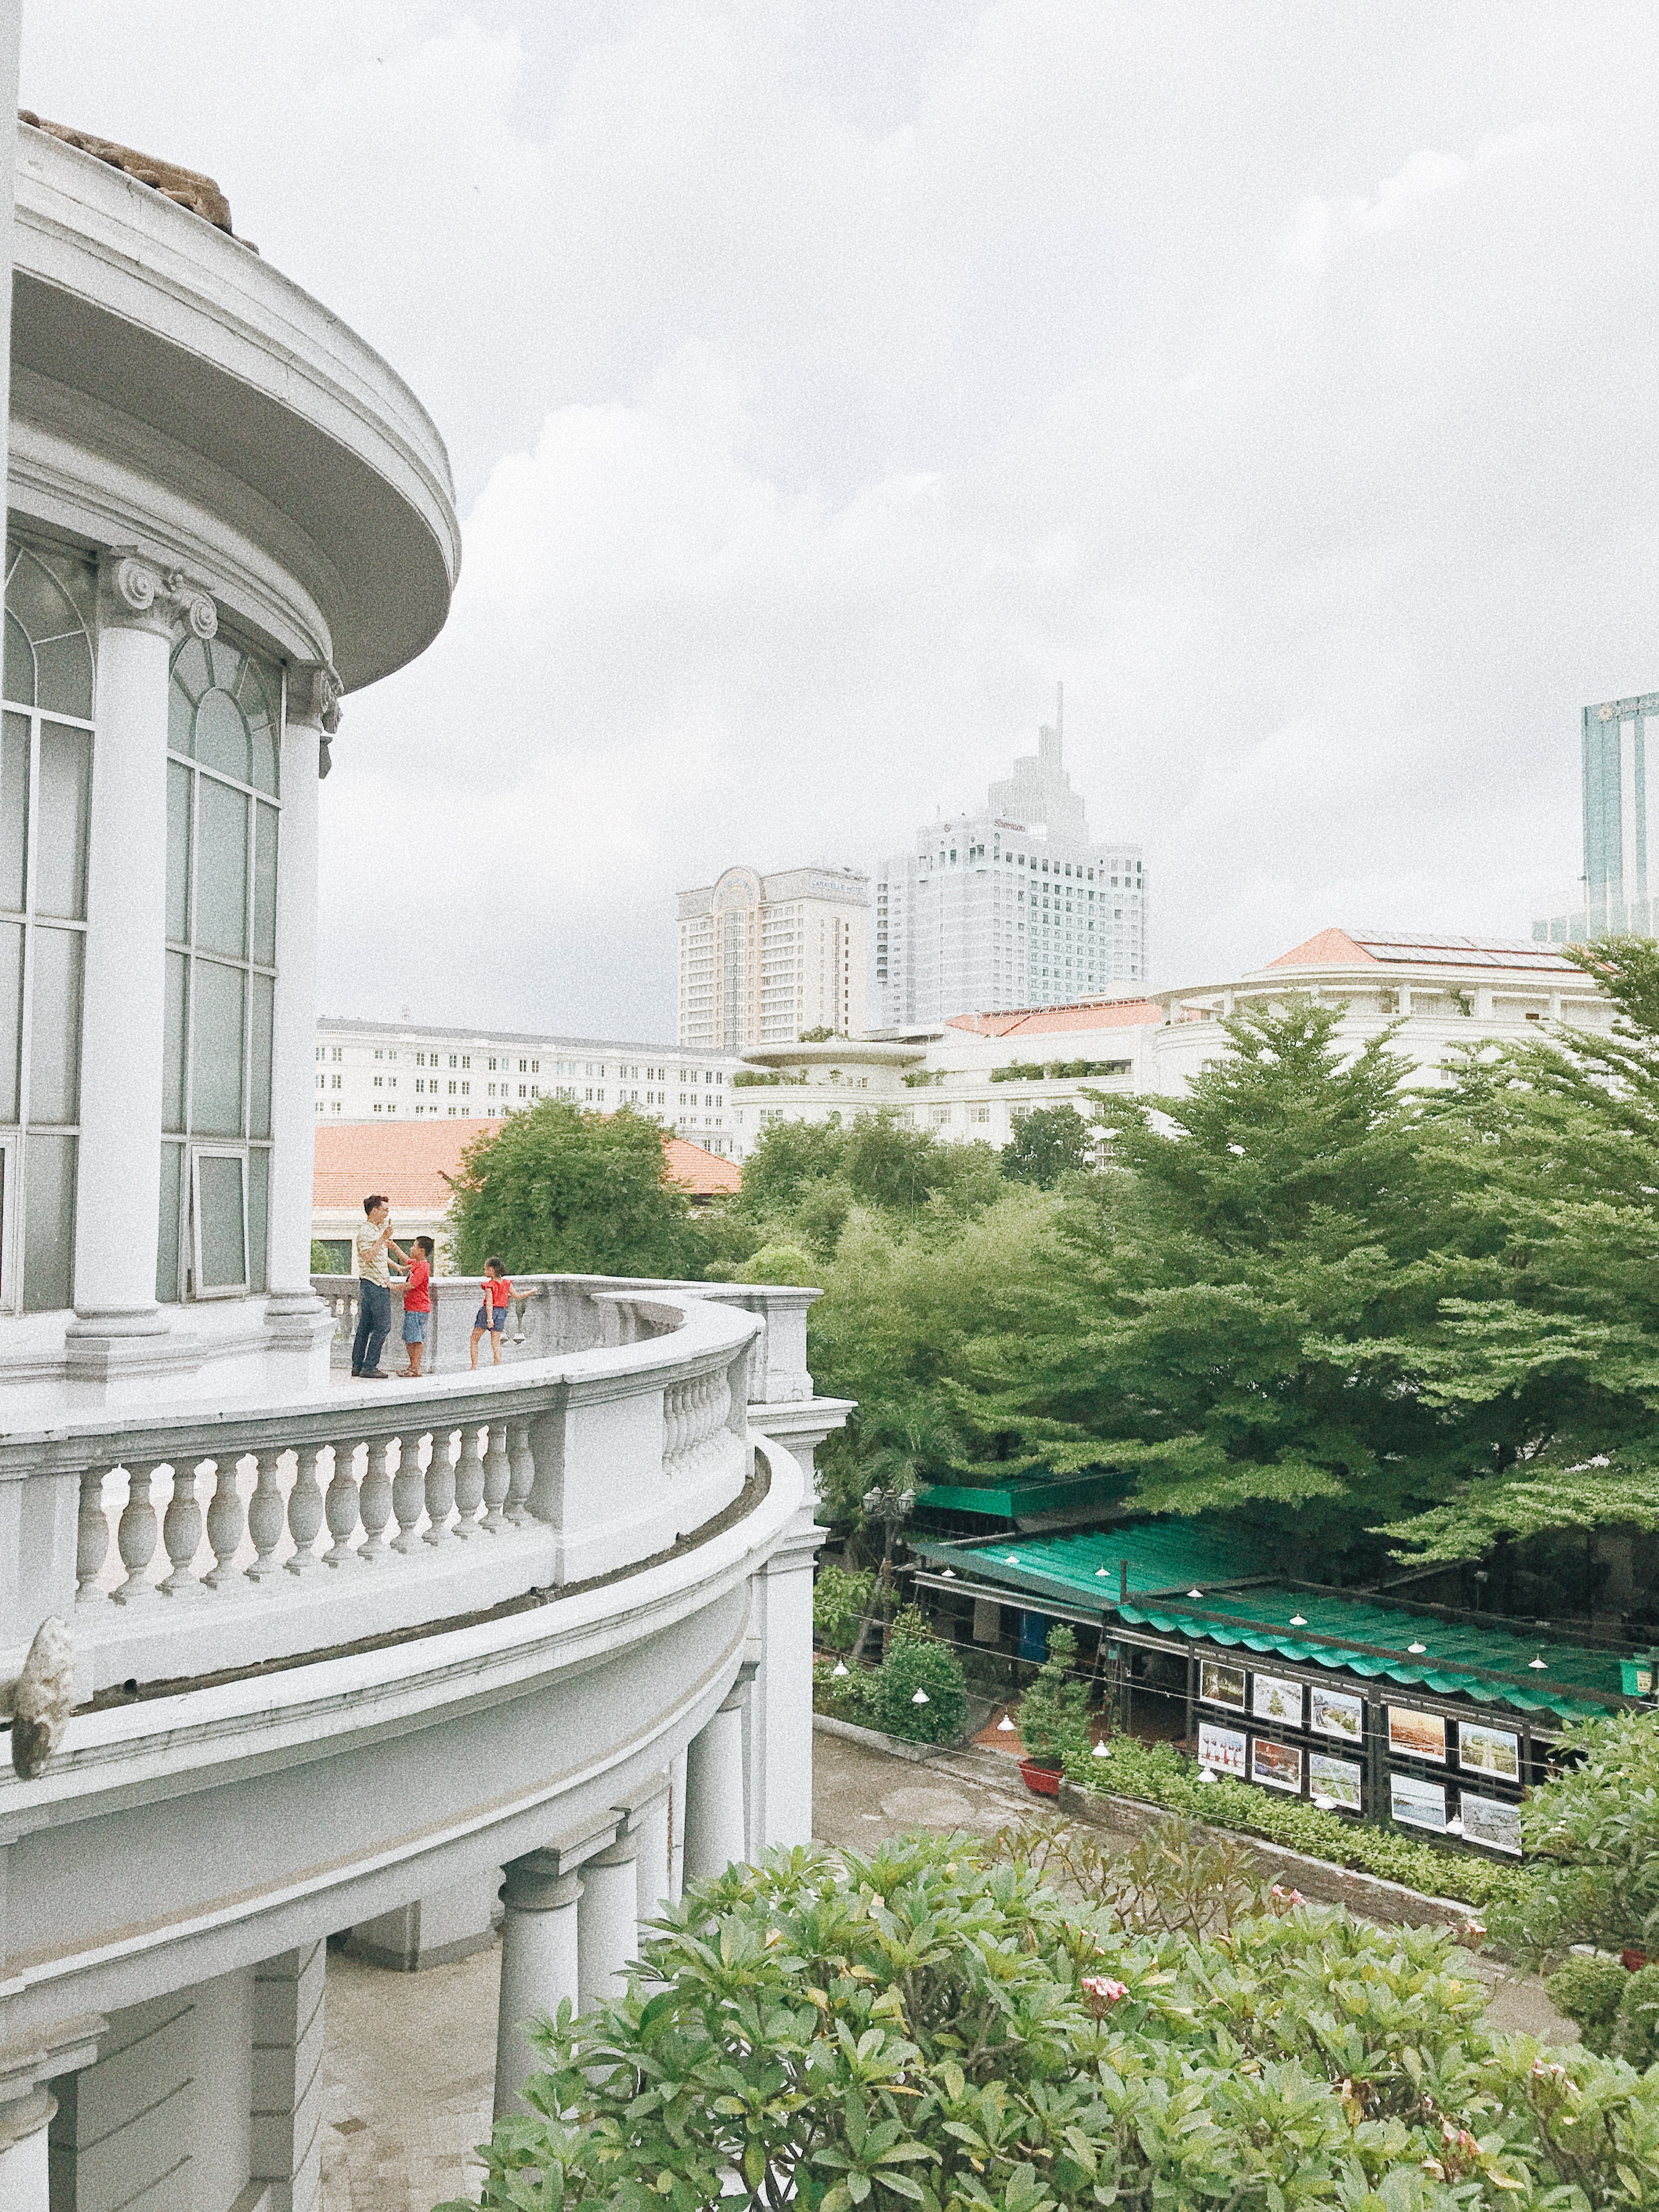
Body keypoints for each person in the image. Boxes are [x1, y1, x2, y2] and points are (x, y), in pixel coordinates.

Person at [352, 1194, 406, 1379]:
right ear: (374, 1211)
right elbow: (368, 1256)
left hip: (373, 1283)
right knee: (383, 1326)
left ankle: (358, 1365)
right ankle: (370, 1366)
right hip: (374, 1284)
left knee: (365, 1327)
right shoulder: (366, 1232)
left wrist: (396, 1266)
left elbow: (379, 1255)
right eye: (384, 1210)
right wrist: (383, 1238)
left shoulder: (375, 1230)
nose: (387, 1214)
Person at [396, 1234, 435, 1378]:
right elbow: (405, 1259)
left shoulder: (423, 1268)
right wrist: (394, 1247)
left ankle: (416, 1368)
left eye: (414, 1246)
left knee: (416, 1339)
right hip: (412, 1307)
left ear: (422, 1251)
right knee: (409, 1339)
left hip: (418, 1308)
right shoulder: (417, 1264)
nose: (412, 1249)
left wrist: (393, 1287)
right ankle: (412, 1366)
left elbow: (412, 1284)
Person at [470, 1256, 513, 1369]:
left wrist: (490, 1319)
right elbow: (517, 1295)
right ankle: (497, 1365)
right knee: (496, 1343)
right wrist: (531, 1292)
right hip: (501, 1313)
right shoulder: (507, 1283)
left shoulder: (490, 1285)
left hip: (488, 1313)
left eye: (485, 1269)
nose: (484, 1271)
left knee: (474, 1339)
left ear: (491, 1270)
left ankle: (474, 1365)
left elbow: (489, 1304)